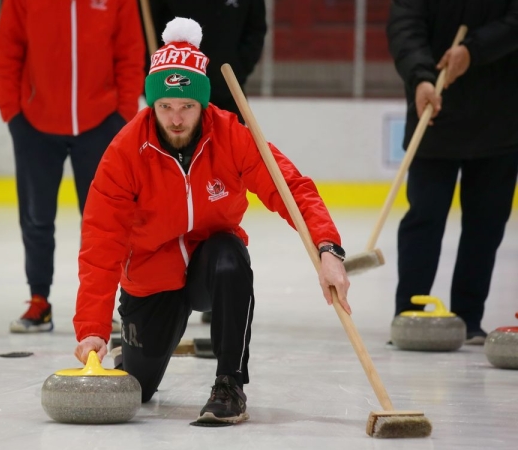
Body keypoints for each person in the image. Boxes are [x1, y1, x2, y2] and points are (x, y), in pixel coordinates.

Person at [72, 18, 350, 424]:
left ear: (203, 103)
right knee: (139, 388)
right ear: (152, 104)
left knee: (229, 255)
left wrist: (328, 248)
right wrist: (92, 327)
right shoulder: (125, 151)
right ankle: (133, 353)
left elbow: (290, 187)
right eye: (165, 106)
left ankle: (229, 384)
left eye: (187, 106)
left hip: (209, 266)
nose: (176, 119)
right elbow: (101, 242)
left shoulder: (231, 135)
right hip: (151, 277)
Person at [0, 0, 145, 333]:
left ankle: (108, 305)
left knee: (105, 221)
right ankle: (39, 300)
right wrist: (12, 113)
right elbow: (8, 50)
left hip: (101, 122)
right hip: (34, 124)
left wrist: (122, 115)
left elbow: (130, 53)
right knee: (35, 217)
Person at [387, 0, 518, 345]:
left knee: (486, 224)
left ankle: (468, 318)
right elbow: (405, 27)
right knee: (425, 216)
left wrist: (474, 50)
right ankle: (410, 312)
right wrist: (420, 77)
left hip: (501, 121)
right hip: (434, 114)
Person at [149, 0, 267, 324]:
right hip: (175, 87)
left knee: (220, 189)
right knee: (169, 189)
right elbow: (152, 17)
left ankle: (216, 280)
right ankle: (162, 285)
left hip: (226, 91)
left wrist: (235, 68)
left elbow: (256, 29)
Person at [149, 0, 267, 124]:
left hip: (227, 91)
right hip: (177, 94)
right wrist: (158, 78)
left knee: (232, 141)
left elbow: (255, 31)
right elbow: (150, 30)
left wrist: (238, 70)